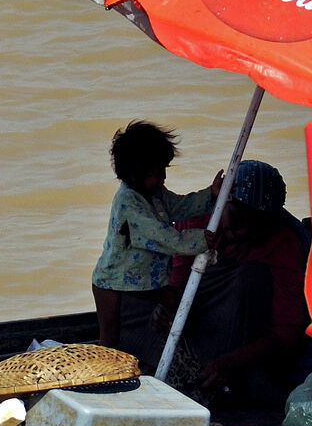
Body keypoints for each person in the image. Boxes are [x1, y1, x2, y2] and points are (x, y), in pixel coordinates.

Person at [173, 160, 311, 423]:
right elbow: (176, 282)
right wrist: (168, 308)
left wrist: (230, 362)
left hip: (247, 335)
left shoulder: (286, 241)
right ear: (221, 203)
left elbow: (288, 332)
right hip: (199, 314)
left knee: (249, 276)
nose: (244, 231)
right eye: (236, 219)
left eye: (257, 224)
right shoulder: (196, 218)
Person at [90, 121, 218, 367]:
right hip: (112, 283)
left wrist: (210, 195)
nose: (163, 177)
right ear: (134, 175)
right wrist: (201, 240)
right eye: (156, 172)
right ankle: (102, 381)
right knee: (109, 342)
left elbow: (179, 206)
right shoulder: (129, 202)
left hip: (141, 280)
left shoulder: (154, 192)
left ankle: (171, 347)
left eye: (164, 169)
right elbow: (164, 237)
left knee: (177, 302)